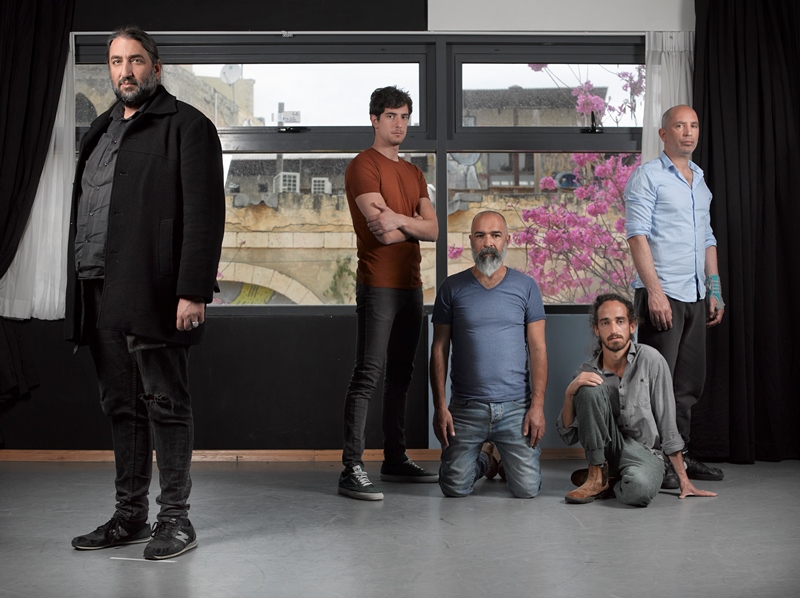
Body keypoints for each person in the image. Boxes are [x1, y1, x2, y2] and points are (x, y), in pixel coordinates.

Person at [65, 27, 225, 559]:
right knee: (121, 405)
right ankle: (129, 516)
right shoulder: (100, 130)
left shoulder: (188, 126)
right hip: (97, 287)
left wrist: (193, 290)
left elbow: (204, 215)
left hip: (154, 288)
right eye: (116, 62)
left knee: (165, 402)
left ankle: (176, 520)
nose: (125, 71)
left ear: (156, 67)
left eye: (135, 60)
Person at [339, 86, 439, 500]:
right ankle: (351, 467)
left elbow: (434, 229)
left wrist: (402, 221)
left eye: (404, 116)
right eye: (391, 116)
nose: (399, 124)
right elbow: (383, 232)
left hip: (410, 286)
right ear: (374, 120)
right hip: (378, 284)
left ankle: (395, 458)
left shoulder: (414, 173)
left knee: (402, 374)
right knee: (368, 374)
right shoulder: (362, 165)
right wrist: (410, 223)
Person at [624, 105, 725, 481]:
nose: (688, 132)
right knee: (656, 386)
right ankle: (655, 463)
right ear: (663, 134)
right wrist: (654, 293)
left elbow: (707, 238)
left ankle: (679, 458)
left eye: (693, 125)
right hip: (662, 295)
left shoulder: (699, 179)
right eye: (679, 125)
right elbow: (637, 235)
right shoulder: (648, 176)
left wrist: (714, 289)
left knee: (687, 386)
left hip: (695, 294)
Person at [558, 294, 717, 506]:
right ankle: (596, 475)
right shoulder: (587, 370)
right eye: (605, 323)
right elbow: (569, 436)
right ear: (597, 329)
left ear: (632, 326)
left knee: (639, 492)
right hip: (605, 451)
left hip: (645, 454)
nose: (613, 329)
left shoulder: (651, 359)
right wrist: (570, 392)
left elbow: (668, 425)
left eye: (620, 321)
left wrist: (684, 481)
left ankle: (610, 481)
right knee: (588, 388)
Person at [431, 211, 547, 498]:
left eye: (496, 235)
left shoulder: (526, 287)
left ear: (507, 240)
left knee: (527, 490)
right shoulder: (451, 288)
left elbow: (538, 349)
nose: (488, 243)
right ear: (471, 240)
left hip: (515, 408)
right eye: (480, 235)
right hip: (466, 408)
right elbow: (439, 348)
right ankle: (486, 458)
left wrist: (537, 407)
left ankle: (507, 457)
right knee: (454, 488)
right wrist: (440, 407)